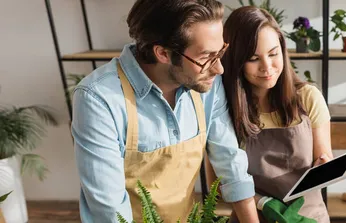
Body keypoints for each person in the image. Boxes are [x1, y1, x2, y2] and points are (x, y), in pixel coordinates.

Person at [70, 0, 259, 222]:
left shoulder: (206, 83)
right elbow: (110, 211)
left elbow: (231, 165)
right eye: (206, 57)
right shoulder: (99, 98)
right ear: (162, 53)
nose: (219, 68)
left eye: (220, 53)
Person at [219, 6, 333, 223]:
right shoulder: (224, 108)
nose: (267, 67)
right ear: (236, 60)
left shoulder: (308, 98)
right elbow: (218, 184)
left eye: (273, 54)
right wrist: (263, 203)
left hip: (308, 217)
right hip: (251, 217)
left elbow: (323, 158)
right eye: (253, 58)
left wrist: (324, 167)